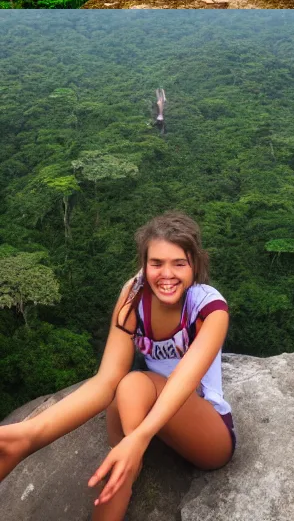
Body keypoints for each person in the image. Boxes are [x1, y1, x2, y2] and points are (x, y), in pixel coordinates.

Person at [0, 213, 234, 520]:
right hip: (146, 409)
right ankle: (23, 441)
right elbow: (105, 381)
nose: (167, 274)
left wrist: (138, 439)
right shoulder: (134, 297)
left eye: (179, 263)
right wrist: (31, 432)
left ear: (195, 264)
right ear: (144, 263)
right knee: (122, 390)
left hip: (205, 428)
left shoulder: (209, 308)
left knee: (133, 384)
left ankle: (129, 460)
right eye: (156, 263)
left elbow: (183, 381)